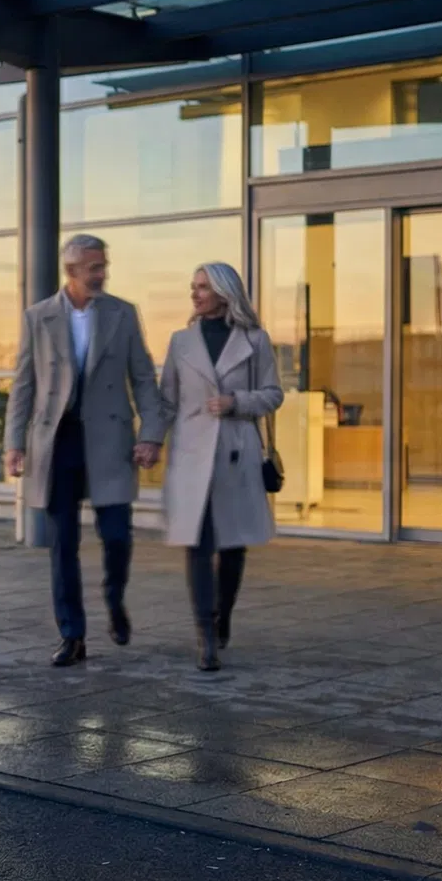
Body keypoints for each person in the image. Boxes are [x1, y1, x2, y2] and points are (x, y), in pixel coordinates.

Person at [4, 234, 166, 667]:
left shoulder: (122, 314)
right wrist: (14, 444)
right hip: (57, 443)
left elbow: (144, 379)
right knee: (63, 545)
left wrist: (151, 433)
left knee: (116, 535)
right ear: (72, 270)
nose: (102, 274)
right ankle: (72, 634)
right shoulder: (39, 317)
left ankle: (114, 600)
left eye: (104, 265)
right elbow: (24, 384)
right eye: (94, 267)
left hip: (110, 440)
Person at [157, 262, 282, 671]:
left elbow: (273, 394)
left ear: (225, 292)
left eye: (202, 288)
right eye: (192, 287)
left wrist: (236, 403)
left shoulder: (256, 340)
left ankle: (223, 613)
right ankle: (205, 635)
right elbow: (167, 402)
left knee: (231, 546)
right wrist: (149, 441)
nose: (194, 294)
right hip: (192, 455)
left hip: (236, 453)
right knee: (198, 543)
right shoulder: (180, 342)